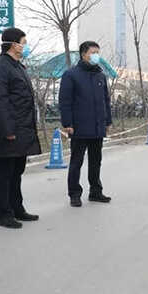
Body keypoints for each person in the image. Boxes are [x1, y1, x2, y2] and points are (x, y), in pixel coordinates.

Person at [0, 28, 41, 229]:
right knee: (4, 173)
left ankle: (17, 208)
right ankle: (4, 214)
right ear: (13, 44)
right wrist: (7, 130)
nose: (25, 46)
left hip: (22, 129)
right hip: (8, 131)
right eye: (23, 43)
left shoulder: (18, 67)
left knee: (17, 171)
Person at [59, 41, 112, 207]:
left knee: (96, 161)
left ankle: (96, 191)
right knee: (77, 162)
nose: (96, 56)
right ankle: (74, 194)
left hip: (97, 126)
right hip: (79, 127)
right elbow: (65, 101)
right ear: (83, 54)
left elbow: (106, 101)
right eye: (93, 52)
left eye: (98, 52)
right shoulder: (71, 75)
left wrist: (108, 121)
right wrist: (67, 123)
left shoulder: (100, 75)